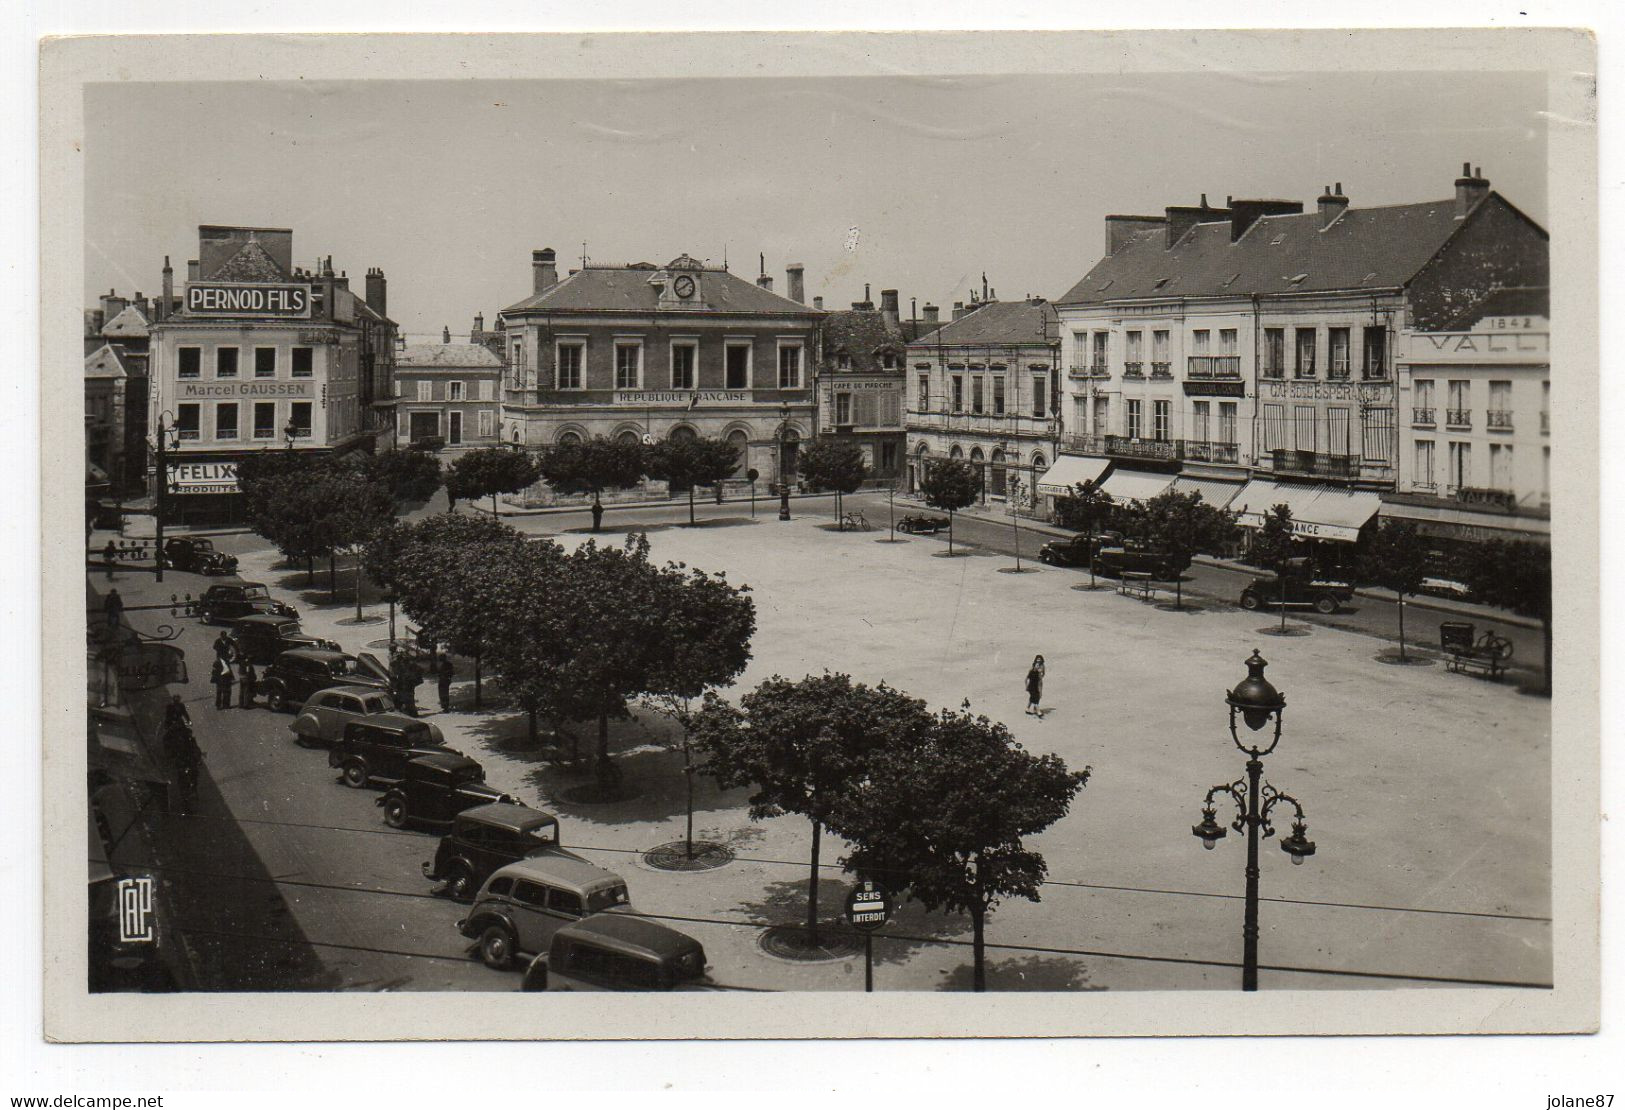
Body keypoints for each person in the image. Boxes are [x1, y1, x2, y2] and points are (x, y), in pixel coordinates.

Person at [1025, 654, 1046, 718]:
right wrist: (1027, 686)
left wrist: (1041, 677)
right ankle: (1038, 711)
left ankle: (1028, 708)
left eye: (1039, 659)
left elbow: (1043, 673)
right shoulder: (1032, 672)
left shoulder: (1042, 666)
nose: (1038, 661)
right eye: (1037, 660)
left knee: (1035, 697)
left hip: (1038, 683)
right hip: (1033, 686)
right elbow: (1026, 679)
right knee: (1035, 698)